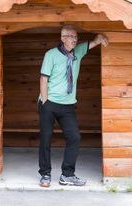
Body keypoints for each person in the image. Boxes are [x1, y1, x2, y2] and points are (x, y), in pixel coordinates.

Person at [38, 24, 109, 187]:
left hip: (68, 106)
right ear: (63, 39)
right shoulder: (51, 55)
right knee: (46, 139)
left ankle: (67, 175)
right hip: (49, 103)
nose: (75, 39)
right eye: (71, 37)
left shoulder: (78, 52)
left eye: (76, 37)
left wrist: (101, 38)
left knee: (74, 137)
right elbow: (43, 79)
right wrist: (46, 101)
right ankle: (45, 174)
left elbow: (94, 42)